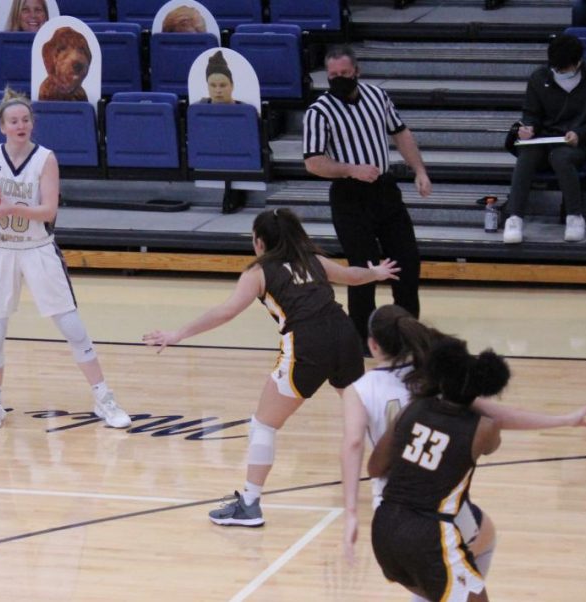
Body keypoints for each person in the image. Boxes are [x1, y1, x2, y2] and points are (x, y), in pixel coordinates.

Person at [142, 208, 400, 526]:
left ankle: (249, 504)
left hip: (307, 344)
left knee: (263, 425)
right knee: (365, 416)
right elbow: (352, 277)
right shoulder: (312, 259)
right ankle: (392, 490)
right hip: (344, 335)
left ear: (259, 242)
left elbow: (226, 312)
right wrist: (377, 273)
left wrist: (177, 333)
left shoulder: (259, 271)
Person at [341, 305, 586, 602]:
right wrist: (564, 420)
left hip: (388, 507)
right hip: (433, 511)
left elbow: (359, 450)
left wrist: (352, 511)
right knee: (462, 556)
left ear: (372, 344)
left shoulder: (365, 390)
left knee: (451, 564)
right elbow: (498, 417)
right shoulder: (435, 381)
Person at [0, 88, 131, 432]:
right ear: (2, 126)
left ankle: (104, 398)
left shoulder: (45, 159)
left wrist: (10, 207)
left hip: (37, 248)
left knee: (72, 328)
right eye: (13, 121)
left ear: (32, 124)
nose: (20, 125)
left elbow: (49, 210)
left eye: (25, 120)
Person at [303, 46, 431, 353]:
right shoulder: (318, 112)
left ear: (357, 71)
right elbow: (313, 162)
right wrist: (351, 169)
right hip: (349, 195)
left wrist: (420, 170)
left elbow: (401, 133)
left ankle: (407, 329)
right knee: (364, 266)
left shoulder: (378, 96)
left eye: (344, 74)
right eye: (332, 76)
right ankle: (361, 337)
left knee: (407, 260)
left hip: (385, 190)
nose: (338, 80)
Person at [367, 336, 509, 602]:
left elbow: (375, 467)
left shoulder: (412, 408)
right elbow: (492, 443)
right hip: (427, 533)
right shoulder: (485, 429)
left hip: (384, 527)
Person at [503, 34, 586, 245]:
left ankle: (574, 216)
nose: (559, 72)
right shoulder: (539, 78)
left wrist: (581, 134)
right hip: (547, 138)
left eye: (564, 69)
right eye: (556, 69)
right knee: (526, 153)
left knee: (561, 157)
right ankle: (514, 217)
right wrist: (527, 128)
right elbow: (531, 113)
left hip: (583, 142)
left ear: (578, 63)